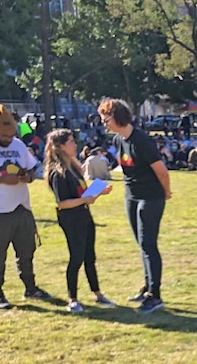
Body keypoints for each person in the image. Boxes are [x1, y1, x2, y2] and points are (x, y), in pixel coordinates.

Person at [98, 98, 171, 314]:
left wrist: (165, 192)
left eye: (106, 119)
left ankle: (155, 295)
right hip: (132, 196)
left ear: (118, 117)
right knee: (141, 244)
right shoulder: (120, 140)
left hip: (150, 197)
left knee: (149, 244)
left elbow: (161, 171)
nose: (105, 124)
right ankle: (148, 287)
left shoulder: (141, 140)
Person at [0, 104, 51, 309]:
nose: (8, 139)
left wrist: (27, 177)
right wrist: (4, 180)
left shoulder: (18, 145)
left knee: (26, 251)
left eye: (11, 135)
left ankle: (30, 288)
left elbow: (32, 169)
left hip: (22, 207)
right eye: (4, 136)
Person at [44, 129, 117, 313]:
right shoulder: (58, 172)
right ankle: (73, 299)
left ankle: (98, 294)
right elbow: (63, 203)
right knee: (76, 258)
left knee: (89, 257)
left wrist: (98, 192)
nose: (75, 145)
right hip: (71, 219)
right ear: (60, 146)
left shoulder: (74, 167)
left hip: (84, 216)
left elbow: (81, 195)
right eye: (70, 142)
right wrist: (85, 199)